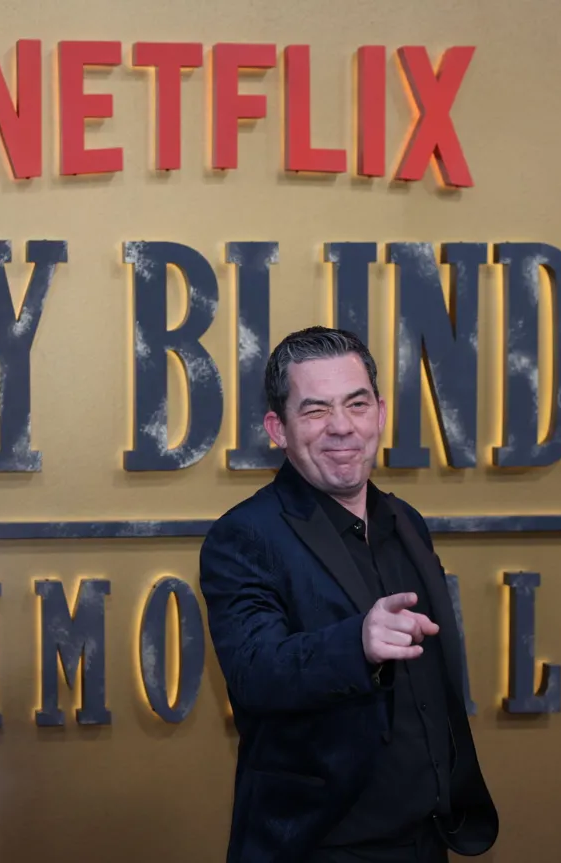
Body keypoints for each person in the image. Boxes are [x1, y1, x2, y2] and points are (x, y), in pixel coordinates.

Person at [199, 326, 498, 863]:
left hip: (427, 840)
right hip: (320, 847)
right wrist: (356, 642)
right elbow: (254, 672)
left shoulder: (406, 522)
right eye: (315, 411)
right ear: (278, 428)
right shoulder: (244, 536)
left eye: (356, 404)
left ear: (379, 413)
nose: (342, 427)